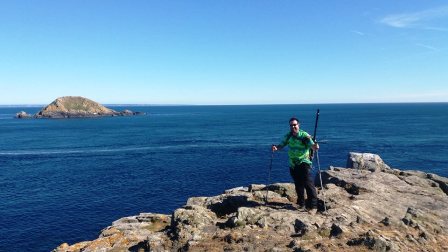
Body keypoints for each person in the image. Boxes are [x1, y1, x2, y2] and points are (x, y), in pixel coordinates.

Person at [272, 117, 319, 212]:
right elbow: (282, 145)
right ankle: (301, 204)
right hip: (293, 163)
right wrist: (276, 147)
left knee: (308, 184)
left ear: (298, 125)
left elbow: (312, 145)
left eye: (295, 124)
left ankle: (313, 206)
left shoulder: (304, 135)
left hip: (304, 162)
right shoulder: (288, 136)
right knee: (298, 184)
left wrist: (315, 146)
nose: (293, 126)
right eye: (291, 125)